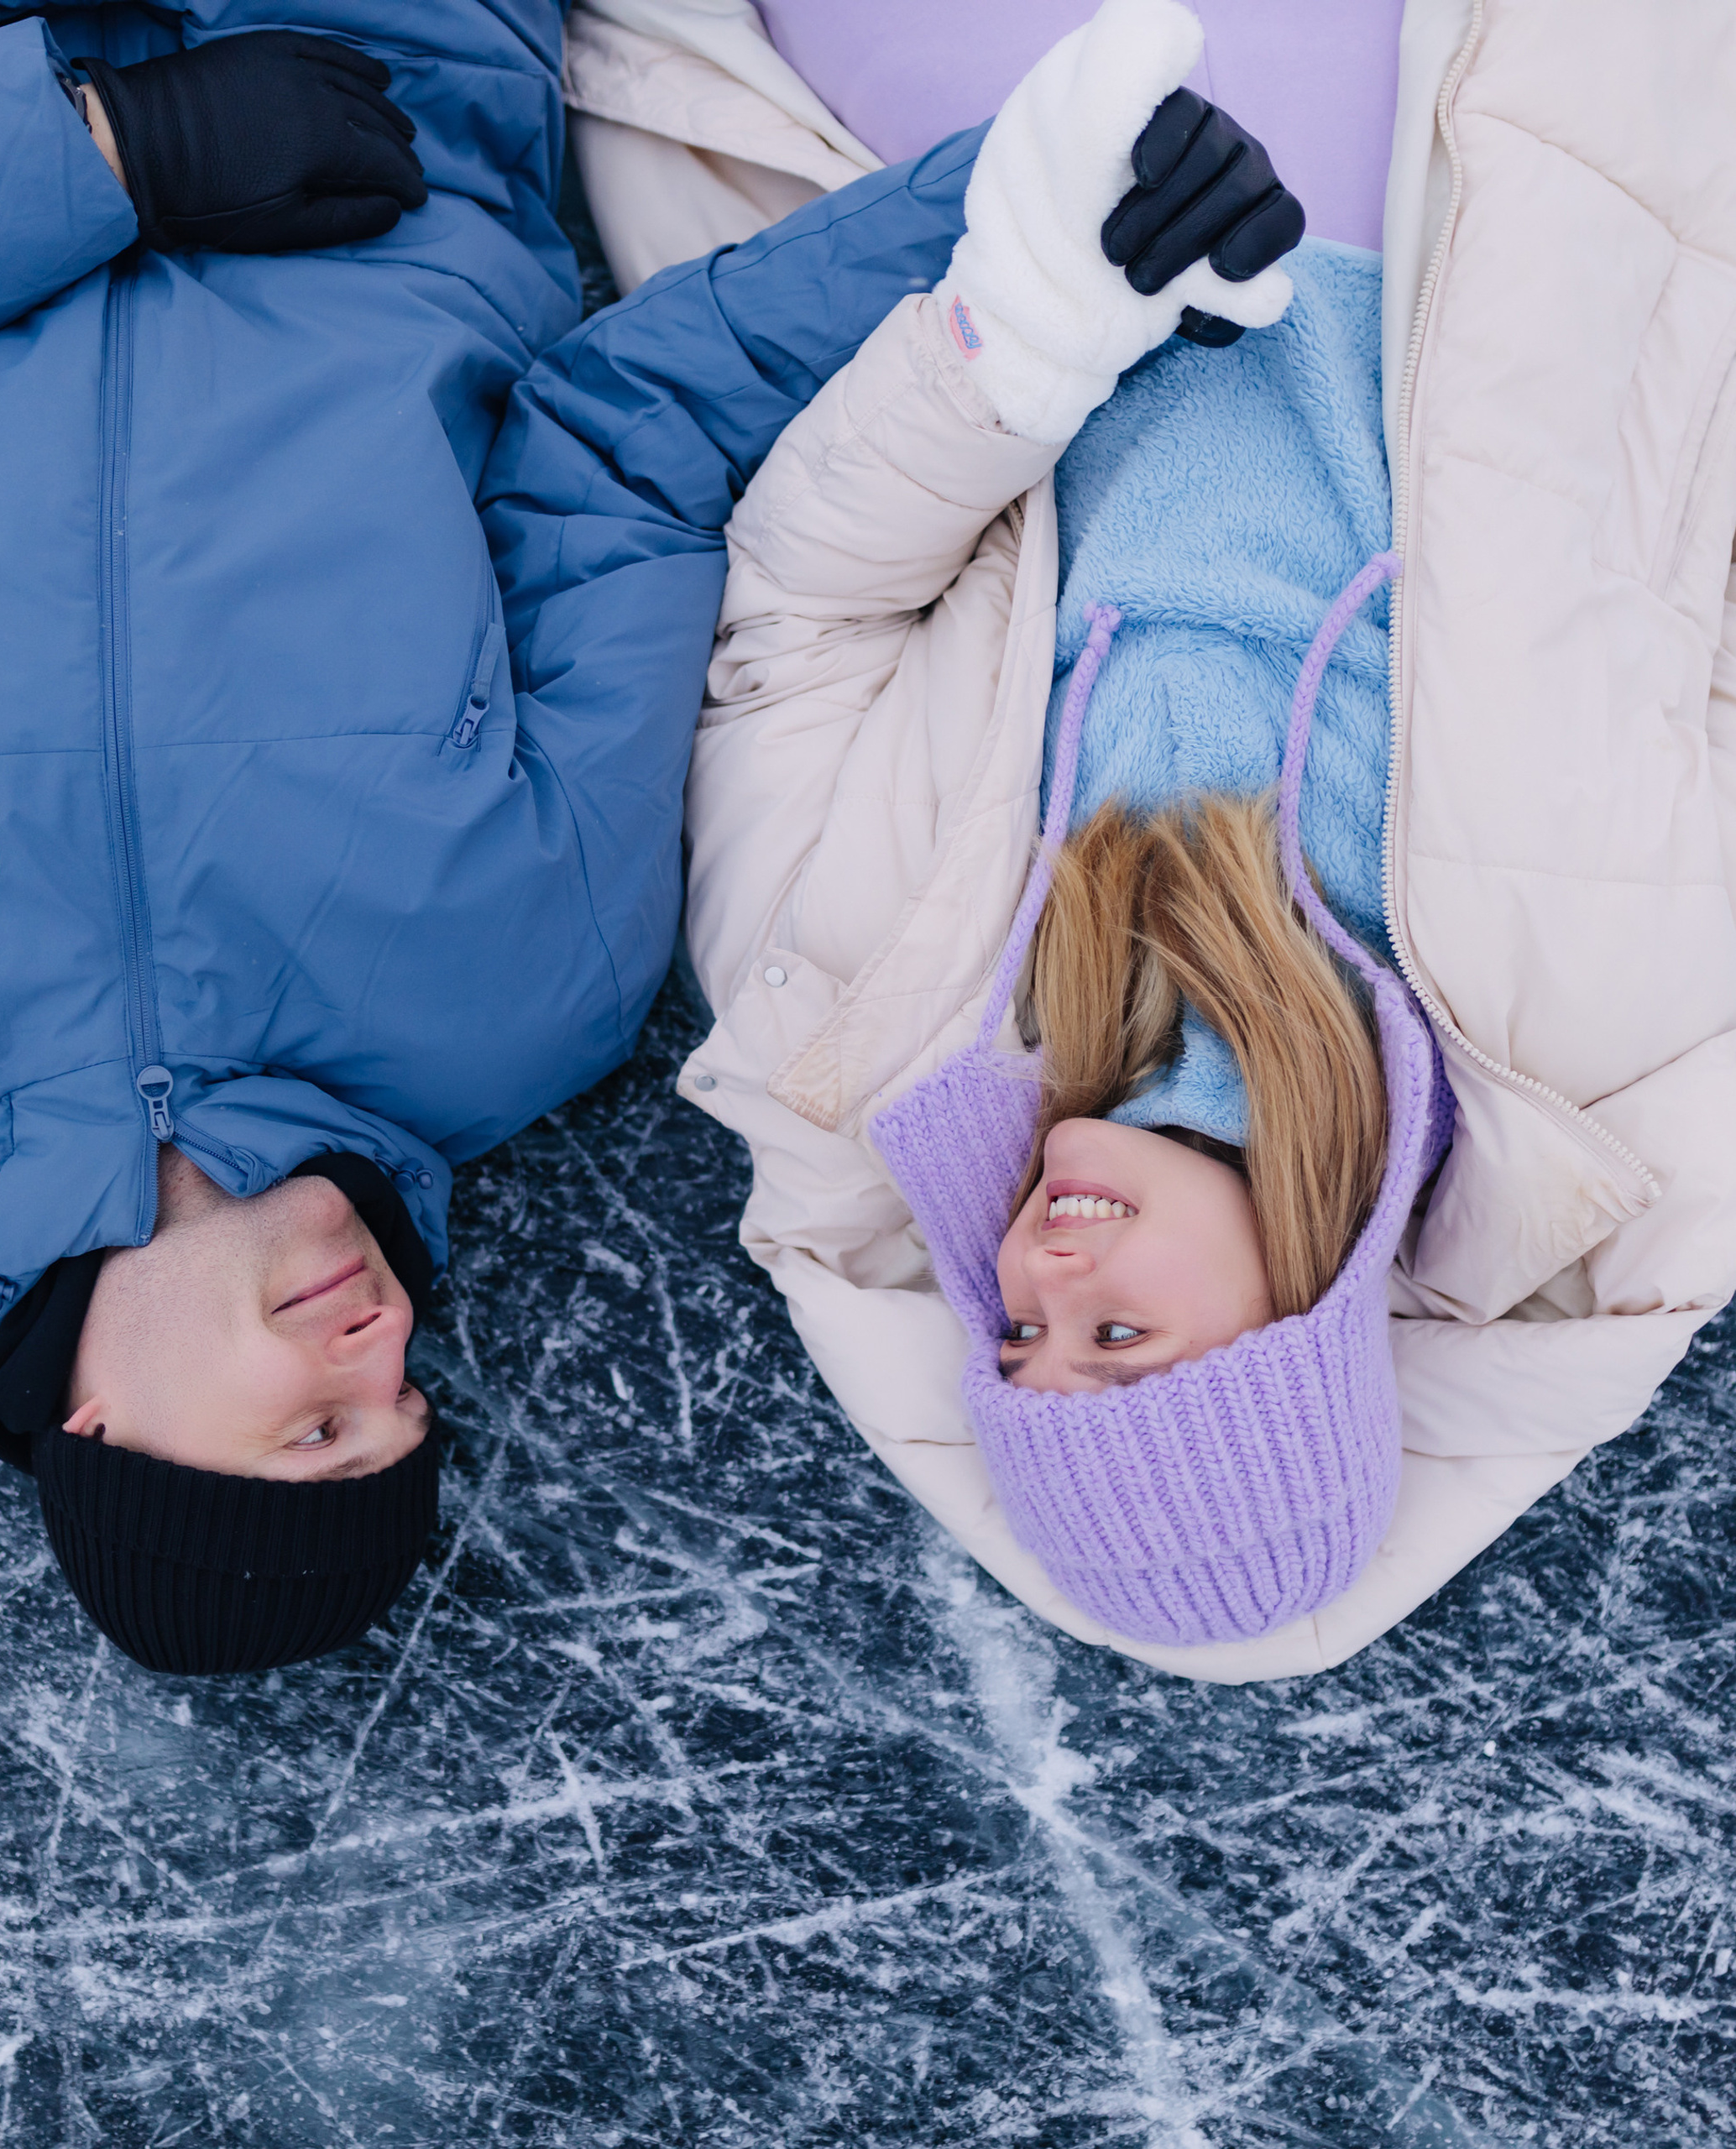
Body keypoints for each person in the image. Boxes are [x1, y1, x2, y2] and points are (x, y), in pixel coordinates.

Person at [0, 0, 1031, 1676]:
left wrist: (110, 159)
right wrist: (1023, 239)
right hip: (366, 80)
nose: (385, 1349)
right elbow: (618, 455)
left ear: (103, 1427)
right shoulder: (516, 986)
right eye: (405, 1404)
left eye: (314, 1429)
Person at [579, 0, 1736, 1679]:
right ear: (1309, 1306)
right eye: (1117, 1331)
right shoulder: (1605, 1033)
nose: (1041, 1272)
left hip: (1011, 176)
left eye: (1021, 1336)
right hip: (1439, 171)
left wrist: (1023, 328)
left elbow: (790, 629)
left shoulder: (851, 1013)